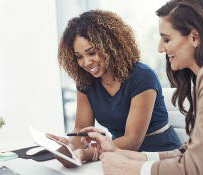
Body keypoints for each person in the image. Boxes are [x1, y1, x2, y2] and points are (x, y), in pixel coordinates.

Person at [78, 0, 203, 174]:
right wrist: (117, 151)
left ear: (194, 38)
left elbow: (192, 168)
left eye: (166, 39)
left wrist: (132, 169)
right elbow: (187, 152)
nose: (160, 48)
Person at [50, 9, 181, 167]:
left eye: (91, 53)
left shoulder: (143, 77)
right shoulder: (86, 81)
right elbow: (80, 128)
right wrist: (69, 147)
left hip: (159, 157)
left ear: (110, 46)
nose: (86, 62)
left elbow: (132, 141)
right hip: (117, 155)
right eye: (78, 56)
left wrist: (86, 154)